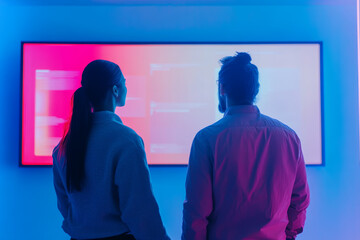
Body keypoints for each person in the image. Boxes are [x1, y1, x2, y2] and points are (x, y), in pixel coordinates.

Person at [182, 52, 310, 240]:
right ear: (256, 89)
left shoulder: (206, 139)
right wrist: (288, 235)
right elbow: (300, 200)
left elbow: (196, 211)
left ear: (222, 88)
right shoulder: (288, 137)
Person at [52, 60, 170, 240]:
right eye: (124, 82)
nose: (126, 88)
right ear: (115, 90)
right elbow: (140, 209)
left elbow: (64, 206)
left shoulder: (63, 146)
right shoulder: (127, 140)